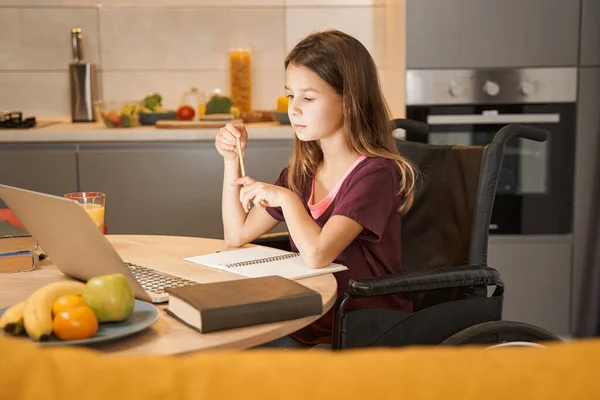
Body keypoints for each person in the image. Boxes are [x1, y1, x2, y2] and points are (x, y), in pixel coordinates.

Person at [214, 29, 418, 348]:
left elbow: (318, 254)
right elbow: (236, 234)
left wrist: (285, 198)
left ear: (349, 102)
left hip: (361, 326)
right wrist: (230, 160)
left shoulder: (375, 175)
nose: (293, 108)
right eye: (290, 95)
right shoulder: (303, 172)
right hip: (311, 318)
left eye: (308, 98)